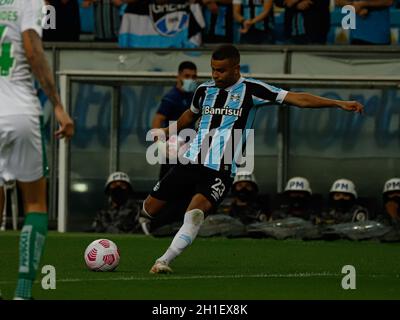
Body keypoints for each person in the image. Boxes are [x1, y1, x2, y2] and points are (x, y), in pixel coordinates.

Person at [141, 44, 363, 274]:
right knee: (149, 209)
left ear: (236, 68)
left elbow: (298, 99)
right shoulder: (204, 90)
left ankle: (163, 260)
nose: (215, 75)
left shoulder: (253, 89)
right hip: (190, 161)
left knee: (195, 214)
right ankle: (160, 228)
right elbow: (190, 115)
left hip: (221, 167)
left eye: (221, 70)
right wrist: (168, 131)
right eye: (213, 69)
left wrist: (337, 103)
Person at [0, 0, 74, 299]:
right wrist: (57, 104)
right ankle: (22, 291)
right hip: (19, 109)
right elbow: (32, 50)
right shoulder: (27, 1)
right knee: (35, 204)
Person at [152, 61, 198, 179]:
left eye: (193, 77)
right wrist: (160, 145)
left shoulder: (194, 97)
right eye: (187, 76)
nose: (190, 79)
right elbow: (158, 120)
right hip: (173, 150)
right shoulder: (172, 97)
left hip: (190, 151)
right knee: (166, 186)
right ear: (179, 76)